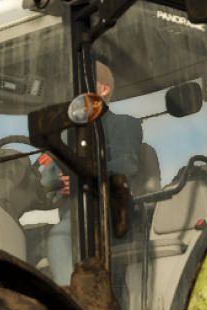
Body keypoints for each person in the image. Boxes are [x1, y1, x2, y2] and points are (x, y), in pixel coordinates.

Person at [39, 61, 144, 285]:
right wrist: (52, 183)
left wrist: (81, 179)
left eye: (82, 86)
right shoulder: (66, 136)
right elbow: (48, 177)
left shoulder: (123, 124)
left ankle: (73, 300)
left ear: (104, 89)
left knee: (59, 237)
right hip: (73, 213)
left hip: (109, 211)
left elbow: (126, 165)